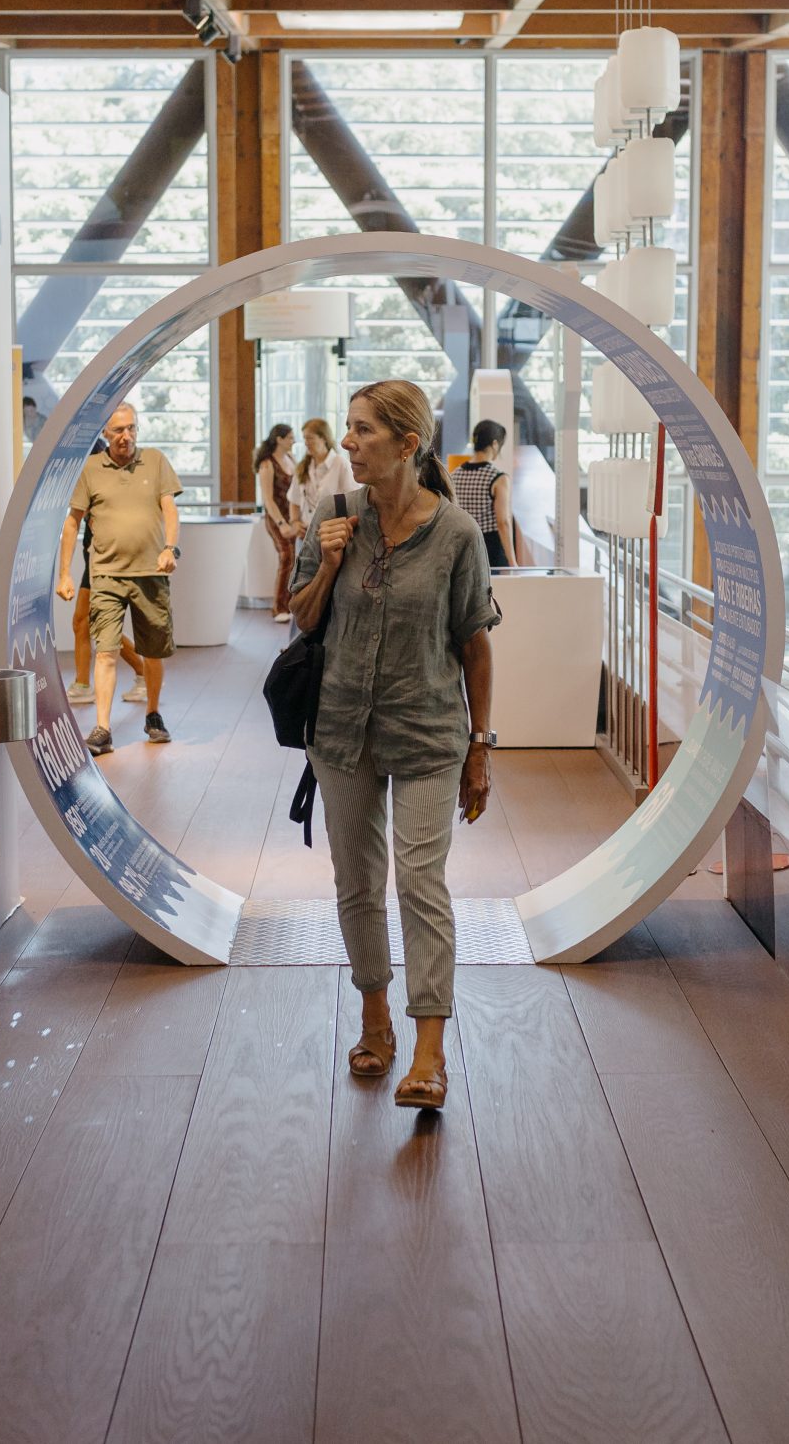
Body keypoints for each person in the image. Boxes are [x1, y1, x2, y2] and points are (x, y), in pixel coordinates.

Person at [289, 381, 498, 1111]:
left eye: (364, 430)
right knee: (356, 882)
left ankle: (430, 1050)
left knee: (419, 882)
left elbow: (475, 644)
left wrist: (480, 747)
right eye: (347, 428)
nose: (349, 442)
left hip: (429, 732)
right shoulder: (333, 516)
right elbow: (301, 618)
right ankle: (374, 1019)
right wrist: (327, 565)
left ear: (408, 444)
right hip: (341, 729)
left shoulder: (457, 535)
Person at [56, 403, 181, 754]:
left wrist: (170, 548)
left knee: (152, 652)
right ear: (105, 433)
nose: (125, 436)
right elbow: (72, 522)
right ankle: (103, 728)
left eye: (131, 428)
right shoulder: (91, 469)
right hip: (106, 575)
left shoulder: (155, 461)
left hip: (150, 574)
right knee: (106, 651)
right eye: (118, 430)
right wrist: (65, 574)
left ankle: (153, 714)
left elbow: (170, 508)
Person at [66, 433, 144, 700]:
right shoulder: (88, 479)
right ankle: (83, 685)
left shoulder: (101, 475)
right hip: (94, 557)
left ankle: (143, 673)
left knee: (96, 623)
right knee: (83, 621)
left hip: (107, 560)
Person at [448, 418, 520, 571]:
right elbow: (503, 522)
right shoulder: (498, 478)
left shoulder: (454, 475)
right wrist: (513, 562)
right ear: (495, 444)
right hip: (490, 548)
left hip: (462, 546)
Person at [254, 422, 299, 622]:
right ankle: (279, 607)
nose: (293, 441)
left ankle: (292, 605)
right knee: (286, 556)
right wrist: (282, 523)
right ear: (279, 439)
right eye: (290, 437)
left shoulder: (291, 459)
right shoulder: (267, 464)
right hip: (276, 519)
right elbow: (268, 499)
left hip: (292, 517)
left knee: (296, 559)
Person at [290, 415, 355, 527]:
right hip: (305, 533)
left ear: (324, 438)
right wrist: (295, 522)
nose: (306, 443)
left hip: (332, 533)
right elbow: (294, 499)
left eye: (310, 438)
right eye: (304, 438)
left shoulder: (340, 464)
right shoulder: (302, 466)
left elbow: (353, 501)